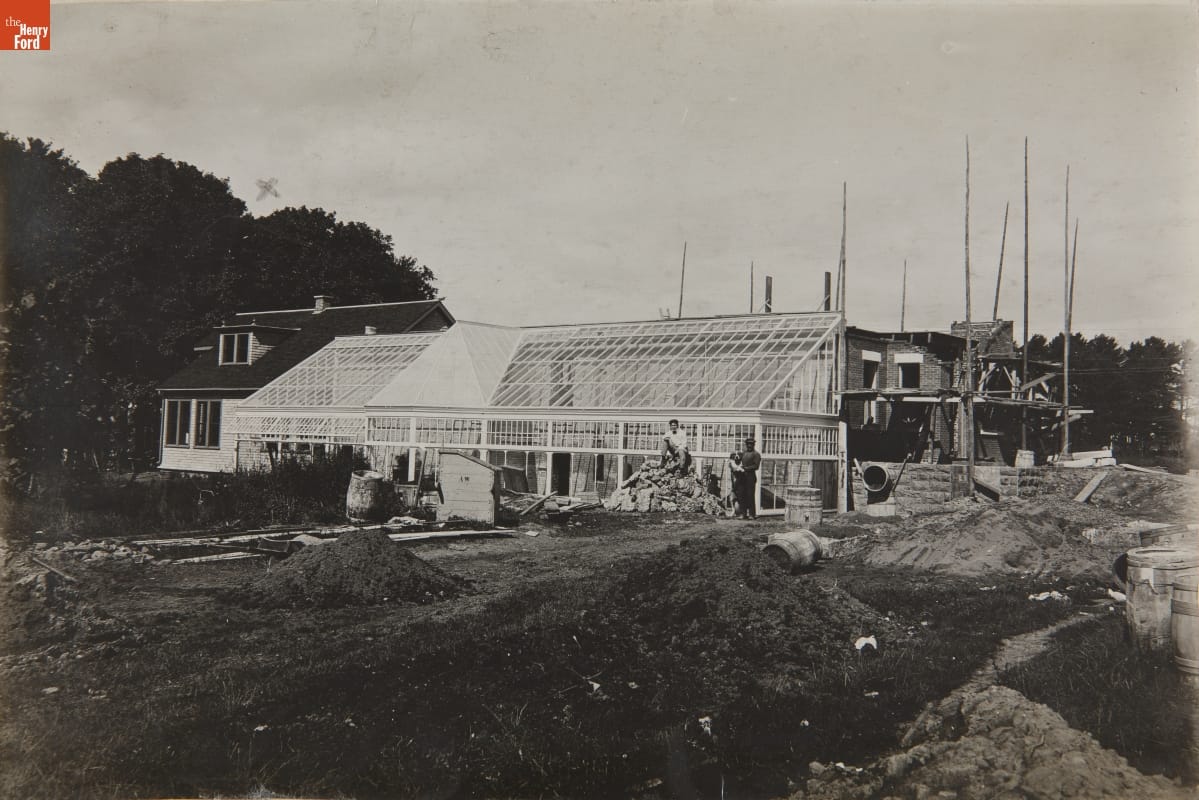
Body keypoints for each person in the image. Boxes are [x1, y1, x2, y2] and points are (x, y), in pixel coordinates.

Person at [737, 437, 761, 519]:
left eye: (751, 444)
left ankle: (751, 514)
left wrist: (746, 468)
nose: (749, 445)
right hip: (742, 477)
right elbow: (739, 462)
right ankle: (743, 513)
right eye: (748, 444)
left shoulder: (756, 454)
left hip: (750, 477)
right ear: (746, 444)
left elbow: (756, 466)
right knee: (742, 495)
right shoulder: (743, 453)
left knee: (750, 495)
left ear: (753, 445)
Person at [725, 451, 744, 518]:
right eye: (735, 455)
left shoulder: (742, 463)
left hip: (740, 484)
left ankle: (741, 512)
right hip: (733, 483)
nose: (736, 456)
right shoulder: (731, 463)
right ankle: (733, 510)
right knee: (732, 497)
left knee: (740, 497)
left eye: (738, 455)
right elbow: (733, 468)